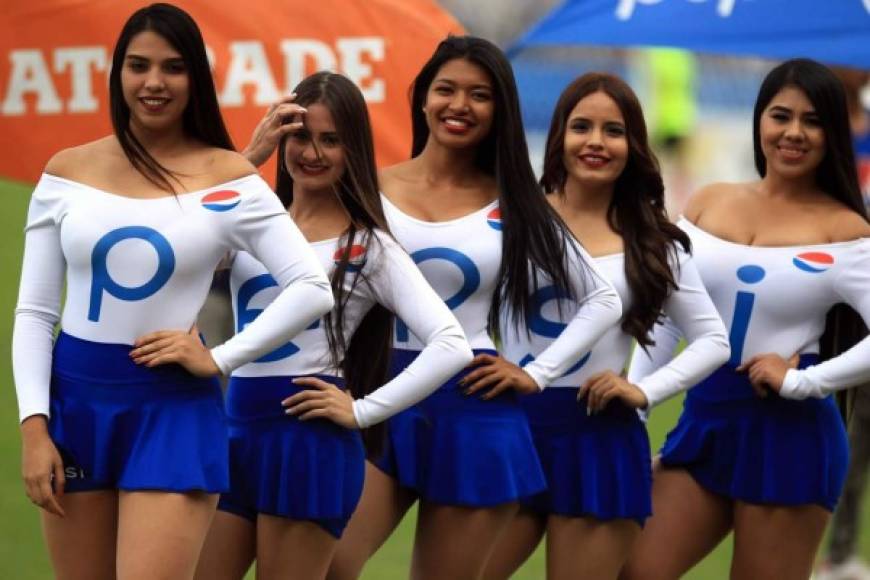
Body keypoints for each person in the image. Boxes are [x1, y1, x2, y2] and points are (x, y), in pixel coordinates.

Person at [11, 4, 334, 580]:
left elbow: (311, 287)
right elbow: (35, 313)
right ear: (118, 75)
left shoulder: (229, 176)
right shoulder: (66, 171)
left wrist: (218, 358)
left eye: (173, 68)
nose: (154, 82)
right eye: (138, 66)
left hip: (173, 410)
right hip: (76, 405)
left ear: (196, 81)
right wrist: (34, 428)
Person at [292, 36, 620, 580]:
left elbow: (601, 298)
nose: (459, 106)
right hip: (377, 392)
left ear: (500, 110)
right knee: (329, 566)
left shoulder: (517, 202)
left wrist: (536, 374)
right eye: (446, 89)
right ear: (423, 98)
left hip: (473, 409)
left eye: (479, 95)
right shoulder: (367, 186)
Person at [193, 71, 473, 580]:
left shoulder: (370, 247)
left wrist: (363, 410)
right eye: (300, 137)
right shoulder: (250, 221)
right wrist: (250, 158)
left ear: (353, 150)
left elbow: (451, 344)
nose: (312, 154)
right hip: (233, 434)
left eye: (331, 140)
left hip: (309, 446)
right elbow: (180, 228)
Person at [473, 72, 729, 580]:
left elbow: (712, 341)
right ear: (558, 138)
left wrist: (644, 390)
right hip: (509, 427)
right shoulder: (512, 220)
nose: (595, 142)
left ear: (633, 144)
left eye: (613, 130)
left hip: (599, 438)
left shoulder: (656, 242)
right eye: (581, 126)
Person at [623, 58, 870, 580]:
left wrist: (805, 381)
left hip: (791, 437)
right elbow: (668, 320)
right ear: (760, 121)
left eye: (813, 120)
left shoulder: (845, 229)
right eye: (781, 116)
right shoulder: (710, 202)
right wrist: (635, 413)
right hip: (705, 420)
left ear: (833, 132)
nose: (793, 133)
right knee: (632, 571)